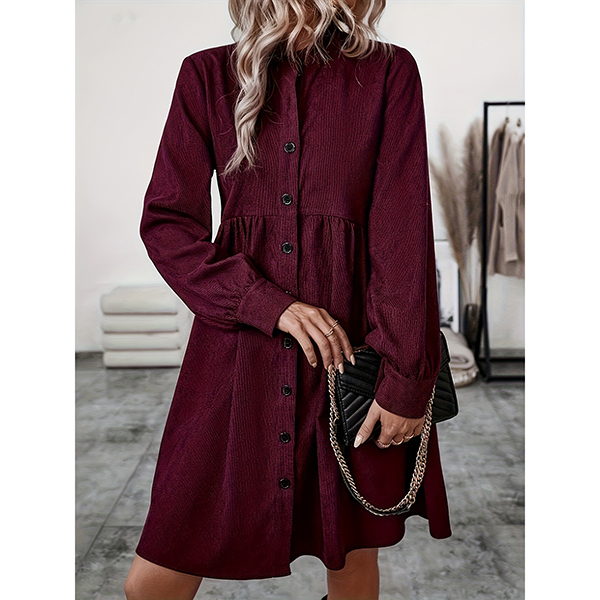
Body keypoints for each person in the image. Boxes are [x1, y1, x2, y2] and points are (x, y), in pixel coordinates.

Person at [124, 1, 452, 598]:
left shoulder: (388, 72)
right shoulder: (205, 76)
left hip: (350, 360)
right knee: (153, 578)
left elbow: (402, 235)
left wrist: (406, 381)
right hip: (237, 357)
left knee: (351, 560)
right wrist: (264, 303)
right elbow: (167, 223)